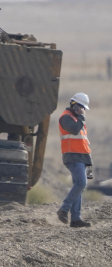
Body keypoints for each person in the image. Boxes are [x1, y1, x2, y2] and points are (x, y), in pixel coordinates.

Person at [57, 93, 93, 228]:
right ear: (75, 105)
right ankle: (64, 209)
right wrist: (81, 117)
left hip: (81, 157)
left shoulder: (77, 119)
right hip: (72, 156)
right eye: (81, 107)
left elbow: (83, 142)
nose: (83, 110)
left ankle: (76, 219)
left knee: (79, 187)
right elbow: (74, 130)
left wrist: (89, 161)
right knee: (81, 183)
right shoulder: (66, 118)